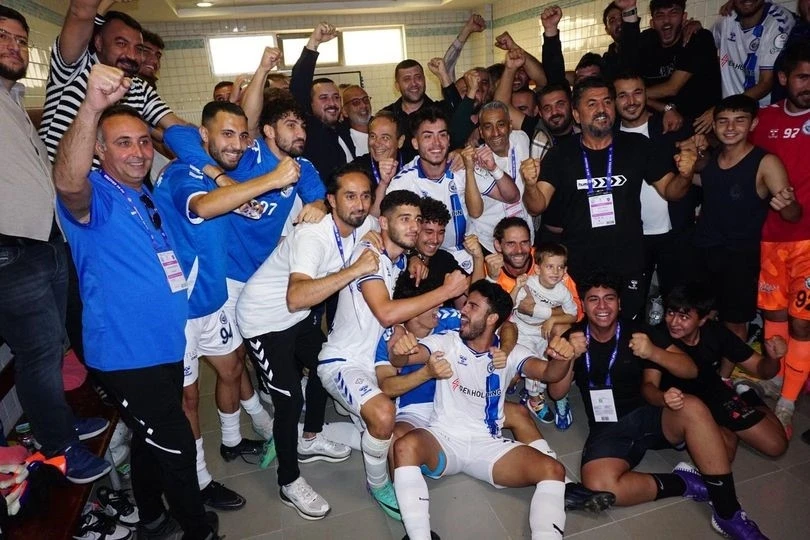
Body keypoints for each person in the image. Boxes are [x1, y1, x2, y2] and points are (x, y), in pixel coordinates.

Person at [53, 64, 216, 539]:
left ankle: (152, 519)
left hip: (162, 345)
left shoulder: (143, 193)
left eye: (144, 141)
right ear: (99, 150)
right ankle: (199, 531)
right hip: (126, 355)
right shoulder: (93, 198)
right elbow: (68, 182)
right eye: (123, 143)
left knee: (149, 441)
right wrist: (91, 106)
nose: (139, 151)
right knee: (177, 445)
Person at [549, 271, 769, 539]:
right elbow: (557, 393)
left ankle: (728, 513)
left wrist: (653, 352)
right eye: (594, 299)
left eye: (609, 298)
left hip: (651, 416)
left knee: (691, 407)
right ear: (583, 304)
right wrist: (568, 357)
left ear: (620, 302)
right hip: (608, 426)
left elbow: (690, 369)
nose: (602, 306)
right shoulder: (572, 337)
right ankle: (685, 483)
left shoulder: (639, 331)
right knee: (598, 483)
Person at [153, 100, 288, 511]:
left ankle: (231, 441)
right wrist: (269, 181)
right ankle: (199, 480)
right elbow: (203, 207)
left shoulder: (216, 171)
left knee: (231, 368)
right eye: (227, 134)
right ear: (204, 136)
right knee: (189, 398)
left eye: (243, 135)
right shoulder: (182, 173)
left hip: (213, 300)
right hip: (181, 311)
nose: (237, 144)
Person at [0, 4, 111, 485]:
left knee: (55, 344)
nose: (15, 47)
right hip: (13, 245)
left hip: (46, 239)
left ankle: (59, 423)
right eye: (3, 36)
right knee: (40, 353)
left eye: (21, 40)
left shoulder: (12, 98)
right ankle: (58, 445)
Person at [236, 164, 381, 520]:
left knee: (322, 365)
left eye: (365, 196)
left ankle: (310, 437)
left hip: (296, 319)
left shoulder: (360, 224)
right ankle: (288, 481)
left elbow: (380, 227)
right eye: (350, 196)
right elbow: (296, 297)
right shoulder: (312, 236)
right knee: (289, 401)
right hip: (263, 321)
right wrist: (355, 269)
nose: (360, 204)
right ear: (331, 200)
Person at [317, 190, 469, 521]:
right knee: (384, 416)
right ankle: (378, 484)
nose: (414, 226)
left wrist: (401, 324)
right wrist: (445, 291)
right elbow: (385, 312)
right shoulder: (369, 255)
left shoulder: (399, 258)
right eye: (405, 219)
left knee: (378, 431)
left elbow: (392, 311)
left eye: (417, 219)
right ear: (383, 223)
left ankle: (309, 432)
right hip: (344, 362)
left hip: (374, 361)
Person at [389, 280, 578, 540]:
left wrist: (562, 358)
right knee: (405, 446)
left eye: (472, 306)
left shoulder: (509, 353)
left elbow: (549, 373)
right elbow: (405, 357)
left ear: (491, 319)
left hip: (488, 445)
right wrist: (399, 352)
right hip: (443, 439)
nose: (463, 310)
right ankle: (419, 536)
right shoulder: (447, 342)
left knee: (553, 470)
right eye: (466, 304)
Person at [521, 77, 698, 320]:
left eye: (607, 102)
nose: (601, 109)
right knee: (583, 327)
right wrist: (530, 185)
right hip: (580, 260)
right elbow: (537, 205)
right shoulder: (561, 154)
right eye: (592, 104)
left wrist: (685, 175)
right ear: (576, 114)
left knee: (628, 326)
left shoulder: (637, 146)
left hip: (628, 259)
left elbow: (671, 191)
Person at [693, 94, 801, 343]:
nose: (730, 127)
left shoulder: (766, 162)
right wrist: (689, 157)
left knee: (734, 324)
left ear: (753, 124)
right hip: (704, 250)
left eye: (739, 120)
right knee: (702, 316)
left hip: (740, 257)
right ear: (714, 125)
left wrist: (787, 205)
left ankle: (731, 367)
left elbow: (793, 215)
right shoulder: (711, 157)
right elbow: (701, 181)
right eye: (723, 121)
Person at [748, 42, 810, 440]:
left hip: (808, 240)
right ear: (784, 78)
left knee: (802, 324)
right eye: (803, 77)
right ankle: (779, 379)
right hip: (770, 239)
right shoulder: (765, 119)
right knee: (774, 319)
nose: (809, 85)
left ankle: (787, 400)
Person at [39, 1, 186, 163]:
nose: (131, 55)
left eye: (138, 49)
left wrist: (206, 142)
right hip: (56, 175)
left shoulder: (139, 87)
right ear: (99, 43)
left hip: (111, 178)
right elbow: (81, 11)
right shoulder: (75, 67)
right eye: (121, 44)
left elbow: (177, 126)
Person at [654, 283, 788, 459]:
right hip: (681, 401)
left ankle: (748, 395)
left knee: (776, 445)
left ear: (702, 320)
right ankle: (722, 427)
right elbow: (648, 386)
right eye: (670, 313)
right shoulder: (657, 335)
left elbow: (763, 371)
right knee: (721, 456)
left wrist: (773, 357)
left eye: (684, 317)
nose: (674, 322)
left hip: (715, 393)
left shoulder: (716, 332)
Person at [388, 106, 519, 273]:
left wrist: (494, 169)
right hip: (426, 258)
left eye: (442, 135)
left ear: (449, 140)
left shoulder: (462, 166)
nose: (436, 143)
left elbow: (512, 197)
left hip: (469, 252)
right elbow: (389, 227)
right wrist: (412, 255)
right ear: (415, 143)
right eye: (428, 136)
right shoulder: (403, 181)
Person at [613, 72, 702, 299]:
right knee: (632, 302)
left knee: (679, 301)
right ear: (613, 100)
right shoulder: (608, 136)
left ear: (646, 94)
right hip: (631, 236)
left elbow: (704, 164)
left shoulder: (670, 126)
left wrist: (697, 155)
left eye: (637, 93)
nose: (631, 101)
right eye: (622, 95)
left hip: (675, 233)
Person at [618, 0, 721, 125]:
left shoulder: (697, 38)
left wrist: (629, 96)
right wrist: (629, 8)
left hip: (699, 125)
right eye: (660, 15)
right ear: (652, 23)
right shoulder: (647, 41)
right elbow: (627, 56)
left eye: (673, 13)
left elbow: (672, 88)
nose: (666, 20)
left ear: (684, 17)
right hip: (660, 124)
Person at [705, 0, 795, 131]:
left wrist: (723, 108)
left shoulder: (779, 21)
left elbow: (766, 82)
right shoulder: (726, 18)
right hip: (729, 117)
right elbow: (704, 49)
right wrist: (695, 28)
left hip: (765, 116)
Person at [466, 101, 534, 254]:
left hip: (524, 239)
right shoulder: (477, 162)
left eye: (501, 125)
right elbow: (513, 197)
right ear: (481, 132)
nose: (495, 133)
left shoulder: (522, 139)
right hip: (489, 243)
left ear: (510, 125)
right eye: (488, 127)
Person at [290, 22, 356, 180]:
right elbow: (299, 83)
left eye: (336, 97)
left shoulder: (343, 128)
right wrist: (314, 42)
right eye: (323, 98)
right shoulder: (309, 132)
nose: (332, 103)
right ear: (310, 103)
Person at [382, 58, 462, 162]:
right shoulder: (387, 116)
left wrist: (443, 75)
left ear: (424, 80)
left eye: (418, 77)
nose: (414, 83)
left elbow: (461, 112)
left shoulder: (439, 111)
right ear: (397, 86)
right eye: (407, 79)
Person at [351, 111, 405, 215]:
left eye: (385, 138)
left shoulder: (411, 162)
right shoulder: (356, 169)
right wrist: (383, 183)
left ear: (400, 141)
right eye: (373, 136)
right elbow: (366, 217)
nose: (376, 143)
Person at [342, 85, 372, 156]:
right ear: (345, 111)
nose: (363, 105)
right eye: (356, 102)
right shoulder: (344, 140)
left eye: (366, 100)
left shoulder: (383, 130)